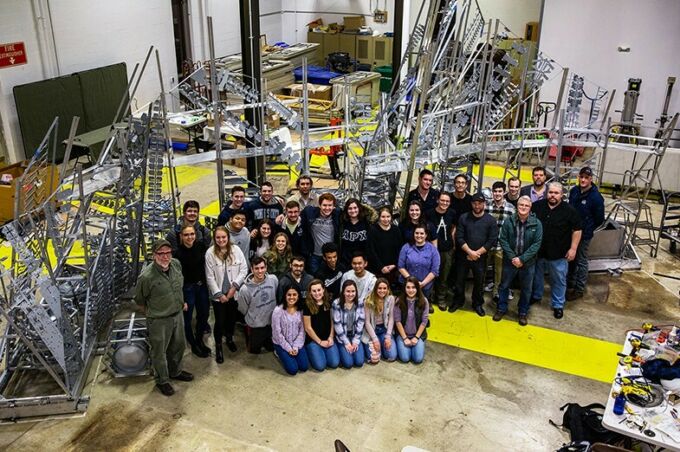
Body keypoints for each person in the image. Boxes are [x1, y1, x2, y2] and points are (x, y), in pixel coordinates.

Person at [134, 239, 193, 396]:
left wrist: (181, 302)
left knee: (179, 345)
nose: (165, 257)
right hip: (159, 320)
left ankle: (175, 372)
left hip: (178, 314)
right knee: (159, 351)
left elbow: (178, 287)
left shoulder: (176, 264)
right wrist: (153, 313)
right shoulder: (146, 277)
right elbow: (139, 300)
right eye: (161, 253)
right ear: (154, 255)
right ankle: (162, 380)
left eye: (168, 253)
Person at [531, 182, 582, 319]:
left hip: (559, 253)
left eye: (556, 193)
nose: (553, 195)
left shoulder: (569, 211)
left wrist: (573, 248)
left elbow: (577, 230)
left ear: (562, 195)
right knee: (537, 276)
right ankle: (536, 296)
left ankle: (558, 305)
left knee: (559, 279)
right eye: (550, 192)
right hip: (538, 251)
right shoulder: (537, 207)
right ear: (547, 193)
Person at [493, 196, 543, 326]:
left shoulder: (537, 224)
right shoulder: (509, 221)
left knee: (526, 289)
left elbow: (536, 244)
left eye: (526, 206)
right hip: (510, 261)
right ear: (517, 206)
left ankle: (522, 312)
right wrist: (512, 257)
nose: (523, 208)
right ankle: (501, 308)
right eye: (521, 205)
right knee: (504, 286)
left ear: (530, 208)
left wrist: (522, 259)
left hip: (528, 263)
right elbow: (503, 239)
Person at [205, 226, 248, 362]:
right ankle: (218, 346)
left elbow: (244, 269)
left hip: (233, 294)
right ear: (214, 238)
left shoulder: (236, 250)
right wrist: (219, 294)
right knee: (219, 321)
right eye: (218, 237)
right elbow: (209, 277)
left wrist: (234, 287)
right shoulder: (210, 253)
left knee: (231, 319)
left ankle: (229, 338)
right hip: (218, 297)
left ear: (228, 238)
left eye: (223, 237)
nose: (221, 240)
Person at [453, 192, 498, 316]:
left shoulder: (490, 220)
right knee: (459, 280)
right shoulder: (463, 217)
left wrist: (476, 253)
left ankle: (477, 303)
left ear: (484, 204)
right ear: (471, 204)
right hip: (463, 256)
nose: (477, 206)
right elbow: (459, 237)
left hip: (480, 258)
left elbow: (492, 240)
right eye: (475, 203)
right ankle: (458, 300)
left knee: (479, 283)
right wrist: (469, 252)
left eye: (480, 203)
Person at [173, 225, 211, 358]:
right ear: (181, 237)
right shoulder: (177, 254)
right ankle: (193, 344)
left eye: (192, 234)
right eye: (186, 235)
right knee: (187, 318)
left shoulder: (201, 246)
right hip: (187, 289)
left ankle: (199, 338)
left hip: (201, 286)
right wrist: (180, 297)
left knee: (204, 314)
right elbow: (176, 277)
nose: (190, 237)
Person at [567, 166, 605, 301]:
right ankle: (569, 284)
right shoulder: (574, 191)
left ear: (591, 179)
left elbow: (600, 219)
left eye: (586, 178)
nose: (583, 180)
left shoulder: (596, 197)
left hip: (584, 235)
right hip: (570, 232)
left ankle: (579, 289)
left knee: (582, 261)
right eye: (581, 177)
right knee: (571, 258)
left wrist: (587, 229)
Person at [238, 257, 279, 353]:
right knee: (254, 351)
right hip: (256, 326)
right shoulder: (245, 289)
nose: (260, 271)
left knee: (270, 348)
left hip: (271, 323)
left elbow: (277, 295)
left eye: (262, 268)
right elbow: (243, 308)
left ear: (266, 268)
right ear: (251, 269)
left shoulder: (274, 280)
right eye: (256, 268)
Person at [425, 191, 457, 310]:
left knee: (444, 275)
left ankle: (441, 298)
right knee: (430, 275)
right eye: (442, 200)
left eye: (447, 201)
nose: (444, 203)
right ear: (438, 200)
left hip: (446, 250)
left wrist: (453, 243)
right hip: (431, 250)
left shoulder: (452, 213)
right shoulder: (429, 213)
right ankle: (428, 299)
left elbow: (454, 227)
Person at [484, 181, 516, 301]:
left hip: (501, 246)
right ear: (492, 192)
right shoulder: (486, 206)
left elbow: (513, 229)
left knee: (499, 271)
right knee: (483, 268)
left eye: (500, 191)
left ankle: (496, 292)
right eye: (495, 191)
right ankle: (481, 288)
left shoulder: (511, 209)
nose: (497, 194)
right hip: (486, 245)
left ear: (504, 192)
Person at [398, 224, 440, 309]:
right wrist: (412, 282)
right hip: (407, 285)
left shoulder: (433, 250)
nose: (419, 236)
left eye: (421, 233)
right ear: (413, 234)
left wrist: (422, 283)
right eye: (416, 233)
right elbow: (400, 266)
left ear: (426, 235)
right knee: (406, 308)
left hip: (425, 286)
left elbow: (435, 270)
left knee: (421, 309)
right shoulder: (406, 247)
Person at [303, 279, 341, 371]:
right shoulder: (307, 305)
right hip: (313, 339)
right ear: (310, 292)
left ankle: (323, 351)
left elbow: (332, 321)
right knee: (320, 366)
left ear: (323, 289)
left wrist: (331, 337)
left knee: (334, 363)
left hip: (327, 337)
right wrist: (319, 342)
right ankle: (312, 351)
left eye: (319, 290)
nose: (317, 293)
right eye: (314, 291)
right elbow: (308, 328)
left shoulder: (329, 302)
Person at [271, 287, 309, 375]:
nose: (292, 297)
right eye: (289, 295)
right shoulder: (278, 311)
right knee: (293, 370)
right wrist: (288, 348)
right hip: (281, 343)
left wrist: (295, 347)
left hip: (297, 342)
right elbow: (277, 333)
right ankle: (278, 352)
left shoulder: (301, 310)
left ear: (298, 296)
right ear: (285, 296)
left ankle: (292, 354)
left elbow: (302, 331)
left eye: (294, 294)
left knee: (304, 367)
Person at [300, 192, 342, 275]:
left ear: (334, 206)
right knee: (315, 279)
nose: (327, 208)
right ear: (319, 205)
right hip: (314, 255)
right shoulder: (309, 212)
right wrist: (283, 216)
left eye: (330, 205)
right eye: (324, 205)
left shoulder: (337, 214)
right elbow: (295, 215)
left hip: (330, 256)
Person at [361, 278, 397, 363]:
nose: (382, 291)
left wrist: (388, 336)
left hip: (384, 329)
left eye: (385, 288)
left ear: (388, 289)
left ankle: (382, 344)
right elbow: (367, 322)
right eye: (379, 288)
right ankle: (369, 345)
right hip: (372, 330)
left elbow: (391, 319)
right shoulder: (368, 300)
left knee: (391, 356)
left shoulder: (391, 299)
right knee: (374, 359)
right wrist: (374, 339)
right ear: (375, 289)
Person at [394, 277, 429, 364]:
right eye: (408, 287)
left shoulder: (424, 301)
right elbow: (397, 321)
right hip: (403, 335)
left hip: (418, 335)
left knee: (417, 359)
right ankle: (401, 344)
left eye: (413, 287)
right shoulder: (399, 301)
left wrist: (416, 338)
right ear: (404, 288)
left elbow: (424, 322)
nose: (411, 290)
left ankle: (417, 345)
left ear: (417, 288)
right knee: (405, 358)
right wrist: (405, 338)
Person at [332, 280, 365, 368]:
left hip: (355, 335)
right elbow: (337, 324)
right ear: (343, 292)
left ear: (356, 292)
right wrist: (346, 343)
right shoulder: (337, 303)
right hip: (342, 337)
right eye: (348, 291)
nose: (350, 294)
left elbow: (361, 322)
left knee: (359, 362)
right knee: (348, 364)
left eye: (353, 291)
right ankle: (339, 349)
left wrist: (356, 340)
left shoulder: (360, 302)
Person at [367, 206, 403, 288]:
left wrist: (394, 264)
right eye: (383, 217)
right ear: (379, 217)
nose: (386, 219)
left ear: (391, 217)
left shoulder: (396, 230)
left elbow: (400, 249)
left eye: (388, 216)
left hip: (392, 269)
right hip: (377, 269)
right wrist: (381, 267)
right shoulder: (373, 230)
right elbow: (371, 250)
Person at [339, 198, 370, 268]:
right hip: (345, 261)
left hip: (362, 262)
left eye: (355, 208)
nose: (353, 210)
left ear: (359, 208)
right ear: (346, 210)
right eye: (350, 208)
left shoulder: (367, 222)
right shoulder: (342, 222)